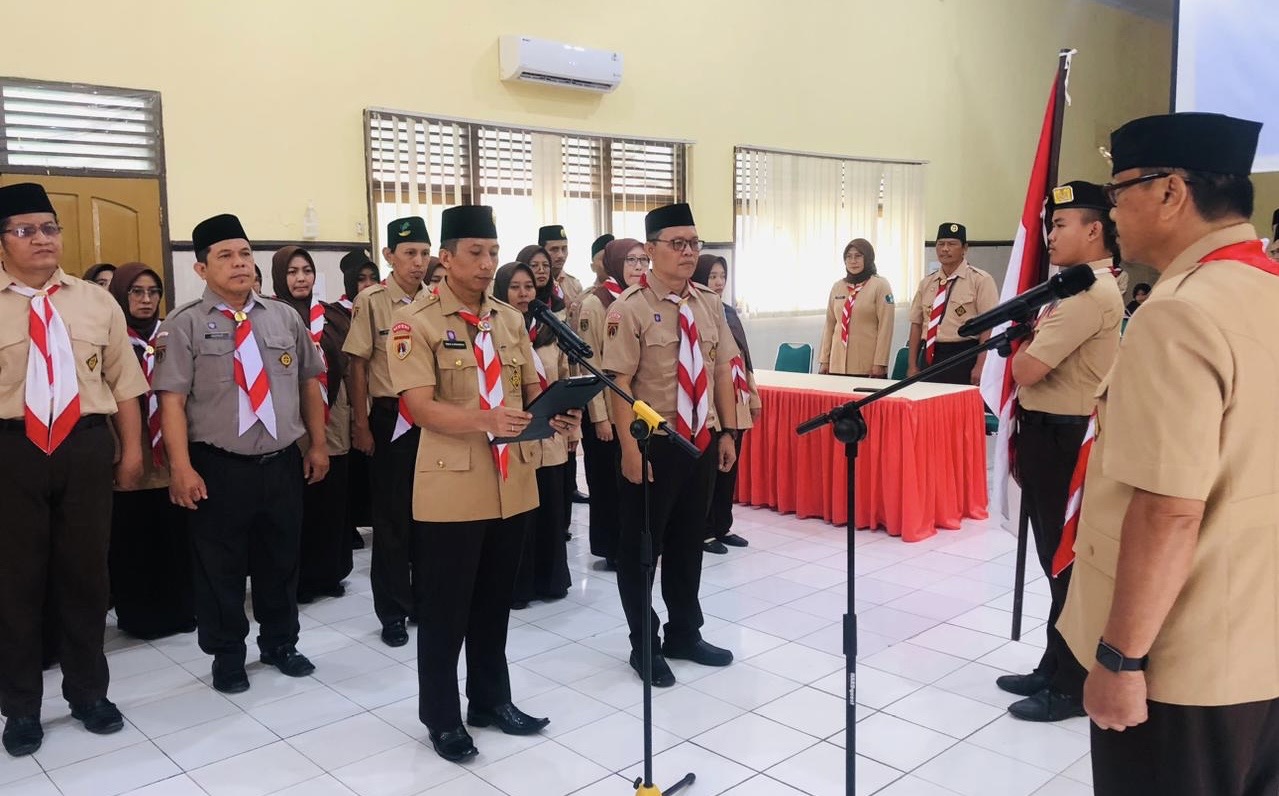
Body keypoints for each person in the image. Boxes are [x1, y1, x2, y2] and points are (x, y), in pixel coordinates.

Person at [1056, 112, 1279, 795]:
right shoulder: (1265, 289)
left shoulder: (1180, 312)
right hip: (1257, 642)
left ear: (1170, 191)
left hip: (1181, 664)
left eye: (1118, 191)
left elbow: (1167, 509)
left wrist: (1120, 660)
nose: (1111, 211)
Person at [388, 205, 580, 762]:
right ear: (446, 258)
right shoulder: (416, 322)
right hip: (453, 485)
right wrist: (485, 419)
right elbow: (419, 408)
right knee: (445, 610)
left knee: (495, 604)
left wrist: (554, 412)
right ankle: (441, 717)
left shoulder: (509, 319)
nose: (487, 263)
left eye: (493, 252)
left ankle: (491, 700)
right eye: (475, 252)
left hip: (510, 480)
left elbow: (524, 391)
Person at [0, 182, 148, 757]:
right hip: (11, 452)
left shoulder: (95, 301)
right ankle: (20, 707)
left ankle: (89, 694)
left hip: (85, 446)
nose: (41, 239)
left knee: (86, 579)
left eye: (49, 228)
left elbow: (126, 385)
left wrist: (132, 453)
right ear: (3, 241)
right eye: (25, 230)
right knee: (15, 583)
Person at [153, 213, 328, 695]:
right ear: (201, 268)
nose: (239, 264)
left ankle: (280, 643)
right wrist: (181, 468)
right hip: (219, 466)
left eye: (246, 254)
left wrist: (317, 444)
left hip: (281, 462)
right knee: (220, 569)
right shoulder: (184, 324)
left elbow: (309, 383)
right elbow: (171, 401)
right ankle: (227, 655)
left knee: (281, 560)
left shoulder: (284, 317)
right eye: (226, 256)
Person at [994, 181, 1123, 723]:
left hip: (1067, 439)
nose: (1050, 234)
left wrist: (1019, 346)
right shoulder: (1071, 291)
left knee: (1067, 563)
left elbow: (1027, 370)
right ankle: (1053, 664)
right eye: (1049, 224)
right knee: (1054, 562)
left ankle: (1071, 684)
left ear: (1094, 230)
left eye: (1061, 224)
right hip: (1049, 435)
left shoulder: (1089, 295)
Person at [603, 202, 740, 688]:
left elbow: (720, 370)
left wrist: (727, 431)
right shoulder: (628, 309)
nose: (688, 253)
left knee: (688, 543)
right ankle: (644, 643)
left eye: (694, 243)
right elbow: (618, 383)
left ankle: (685, 632)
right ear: (651, 249)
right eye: (677, 244)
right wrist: (629, 450)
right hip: (654, 445)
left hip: (699, 440)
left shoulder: (708, 303)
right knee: (642, 550)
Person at [342, 217, 431, 647]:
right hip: (389, 417)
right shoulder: (372, 301)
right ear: (389, 256)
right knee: (392, 520)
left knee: (431, 516)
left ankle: (426, 600)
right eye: (409, 253)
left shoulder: (436, 300)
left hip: (430, 418)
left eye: (424, 253)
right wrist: (360, 424)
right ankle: (393, 611)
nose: (418, 262)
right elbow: (357, 365)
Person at [105, 262, 196, 640]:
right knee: (133, 539)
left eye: (153, 292)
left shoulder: (171, 335)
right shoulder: (110, 338)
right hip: (131, 449)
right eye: (137, 292)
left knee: (176, 536)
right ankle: (140, 615)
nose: (146, 300)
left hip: (172, 450)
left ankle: (182, 609)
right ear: (121, 295)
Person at [272, 245, 353, 603]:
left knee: (332, 499)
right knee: (298, 502)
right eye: (292, 272)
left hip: (333, 417)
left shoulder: (332, 316)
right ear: (280, 276)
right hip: (293, 419)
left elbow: (348, 365)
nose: (301, 278)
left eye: (306, 270)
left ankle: (330, 573)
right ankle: (301, 578)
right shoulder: (271, 315)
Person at [495, 261, 573, 607]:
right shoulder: (493, 330)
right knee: (521, 514)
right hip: (515, 436)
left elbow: (565, 375)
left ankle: (550, 580)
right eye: (515, 287)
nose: (524, 293)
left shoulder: (550, 329)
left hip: (550, 435)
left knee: (551, 509)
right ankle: (519, 585)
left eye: (528, 286)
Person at [570, 237, 646, 569]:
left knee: (631, 484)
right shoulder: (596, 303)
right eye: (631, 261)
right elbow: (591, 366)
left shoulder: (641, 301)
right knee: (605, 484)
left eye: (643, 260)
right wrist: (600, 417)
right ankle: (610, 548)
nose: (638, 267)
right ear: (614, 264)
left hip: (635, 410)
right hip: (604, 410)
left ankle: (632, 545)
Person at [693, 254, 761, 554]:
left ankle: (723, 525)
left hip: (737, 399)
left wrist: (753, 395)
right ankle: (705, 530)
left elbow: (744, 358)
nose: (718, 282)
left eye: (722, 276)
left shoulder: (728, 312)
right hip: (711, 402)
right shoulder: (695, 312)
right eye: (712, 276)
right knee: (709, 471)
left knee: (729, 469)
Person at [906, 223, 999, 384]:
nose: (945, 249)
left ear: (965, 248)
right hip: (929, 354)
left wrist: (981, 365)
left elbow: (989, 327)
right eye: (941, 244)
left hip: (963, 355)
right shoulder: (927, 283)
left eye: (951, 244)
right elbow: (916, 324)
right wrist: (912, 365)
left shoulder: (980, 280)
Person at [335, 249, 381, 547]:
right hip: (349, 402)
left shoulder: (386, 309)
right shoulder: (336, 314)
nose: (367, 285)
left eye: (372, 278)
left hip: (379, 400)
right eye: (361, 279)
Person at [818, 239, 895, 377]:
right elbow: (830, 325)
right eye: (849, 256)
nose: (853, 261)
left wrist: (880, 363)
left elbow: (886, 327)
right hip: (836, 363)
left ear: (868, 258)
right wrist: (824, 359)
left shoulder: (880, 285)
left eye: (858, 256)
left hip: (866, 364)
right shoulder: (838, 286)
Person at [539, 224, 582, 304]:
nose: (561, 255)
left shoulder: (574, 285)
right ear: (542, 251)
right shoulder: (533, 283)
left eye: (564, 249)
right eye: (554, 249)